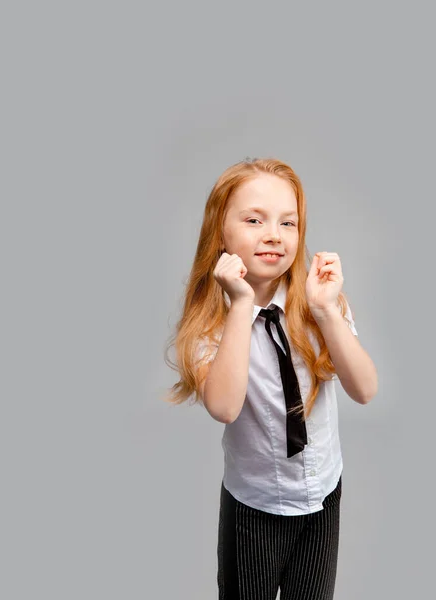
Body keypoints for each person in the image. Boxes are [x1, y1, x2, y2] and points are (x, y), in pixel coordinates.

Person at [164, 157, 378, 599]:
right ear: (220, 231)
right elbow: (224, 406)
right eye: (254, 219)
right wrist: (241, 305)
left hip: (322, 498)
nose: (273, 235)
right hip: (254, 507)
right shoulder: (212, 323)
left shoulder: (320, 303)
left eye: (288, 222)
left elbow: (365, 389)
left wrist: (326, 312)